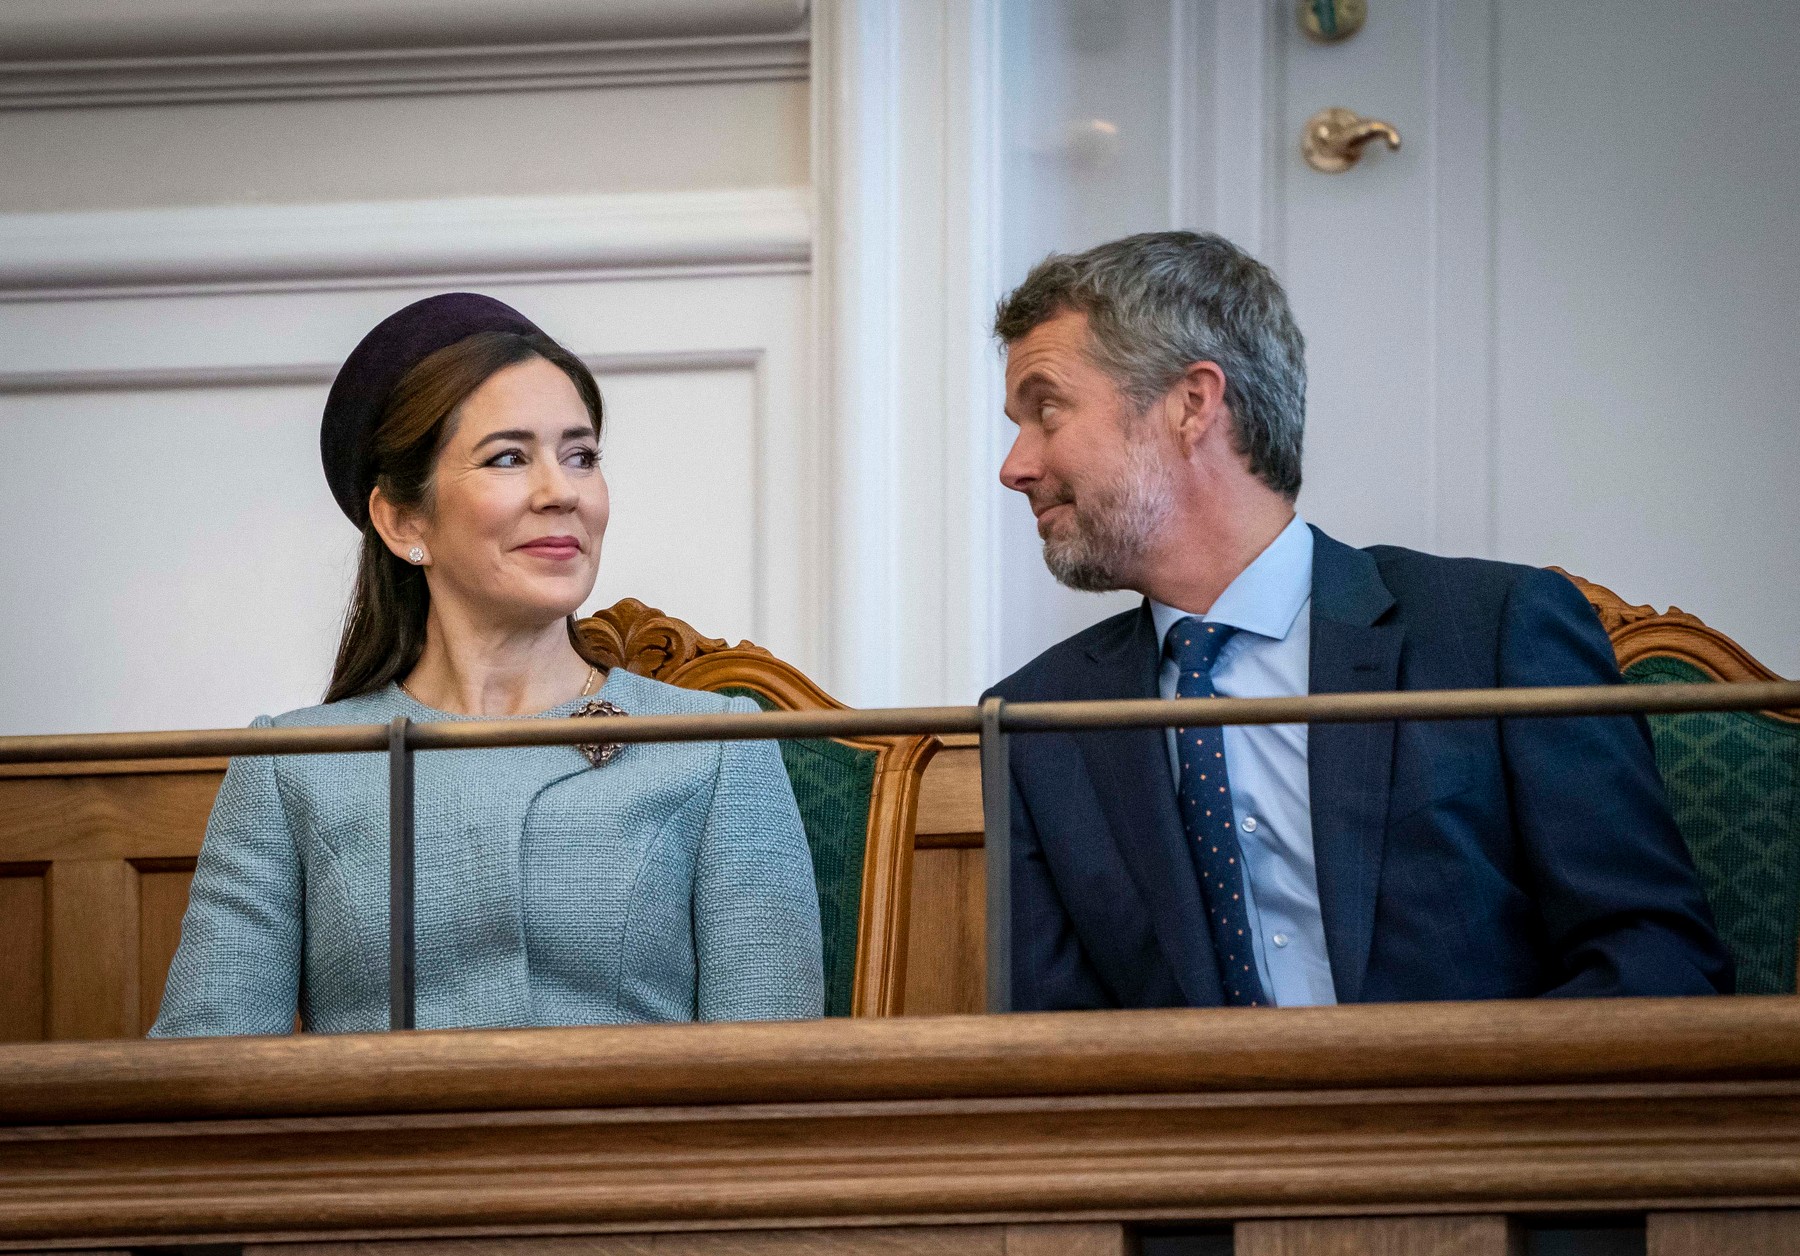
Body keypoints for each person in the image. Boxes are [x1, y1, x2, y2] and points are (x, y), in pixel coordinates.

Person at [986, 231, 1731, 1010]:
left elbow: (1656, 960)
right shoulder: (1040, 720)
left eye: (1046, 411)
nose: (1016, 466)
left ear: (1191, 403)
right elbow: (1050, 1051)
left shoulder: (1494, 634)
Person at [153, 293, 824, 1035]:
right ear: (403, 520)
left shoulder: (719, 743)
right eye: (509, 457)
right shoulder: (292, 766)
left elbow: (773, 1078)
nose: (561, 492)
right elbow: (205, 1075)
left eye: (582, 456)